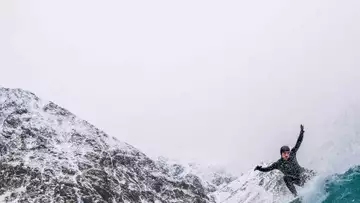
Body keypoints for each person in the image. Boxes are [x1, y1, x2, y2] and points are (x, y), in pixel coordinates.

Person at [254, 125, 314, 197]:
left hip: (304, 174)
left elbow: (298, 142)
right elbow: (267, 169)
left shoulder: (292, 154)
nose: (286, 155)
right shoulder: (278, 164)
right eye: (284, 153)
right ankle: (296, 195)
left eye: (287, 153)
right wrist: (259, 168)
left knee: (314, 174)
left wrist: (302, 132)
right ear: (281, 154)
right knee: (286, 178)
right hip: (299, 181)